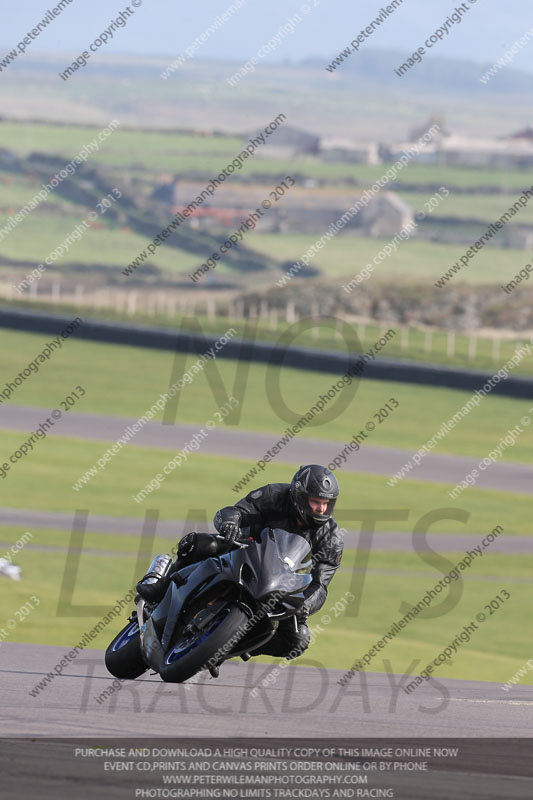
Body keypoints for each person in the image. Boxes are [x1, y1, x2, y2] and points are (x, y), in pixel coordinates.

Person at [136, 464, 343, 663]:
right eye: (316, 501)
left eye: (326, 503)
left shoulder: (331, 537)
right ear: (299, 495)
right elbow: (237, 511)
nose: (321, 508)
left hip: (282, 586)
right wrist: (230, 524)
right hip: (244, 551)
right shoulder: (275, 495)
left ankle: (231, 646)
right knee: (198, 543)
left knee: (299, 640)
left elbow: (320, 585)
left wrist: (305, 604)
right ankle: (162, 588)